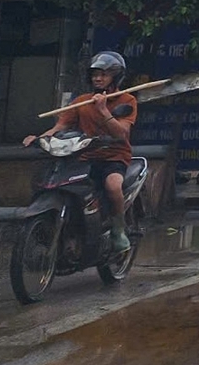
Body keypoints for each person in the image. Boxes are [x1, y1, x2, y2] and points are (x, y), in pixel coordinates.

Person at [25, 51, 138, 253]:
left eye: (103, 74)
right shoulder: (81, 101)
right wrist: (41, 137)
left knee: (112, 186)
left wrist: (103, 110)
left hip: (113, 156)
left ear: (116, 76)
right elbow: (61, 125)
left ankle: (118, 230)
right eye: (95, 74)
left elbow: (121, 133)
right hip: (84, 156)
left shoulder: (127, 100)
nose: (98, 78)